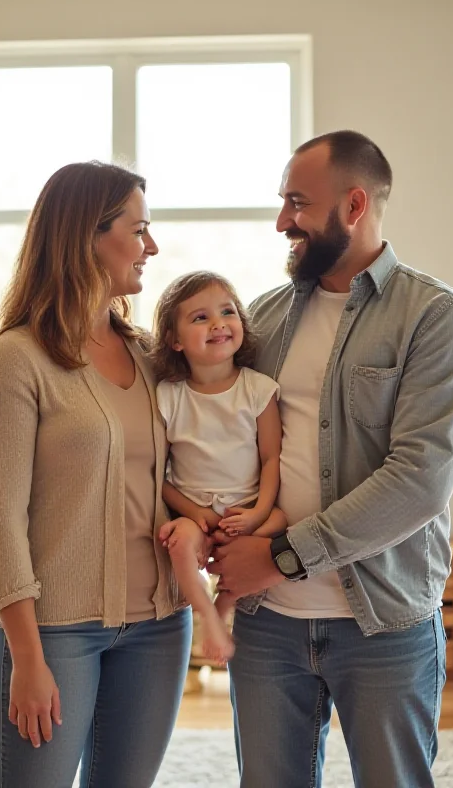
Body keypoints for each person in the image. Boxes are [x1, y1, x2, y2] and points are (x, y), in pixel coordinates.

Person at [207, 130, 453, 788]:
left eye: (297, 203)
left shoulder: (435, 317)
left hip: (384, 623)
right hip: (268, 625)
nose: (282, 222)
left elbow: (420, 481)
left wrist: (280, 555)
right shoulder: (262, 320)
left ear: (354, 205)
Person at [0, 162, 191, 788]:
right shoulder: (17, 361)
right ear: (86, 237)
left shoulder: (150, 353)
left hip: (159, 625)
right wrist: (27, 658)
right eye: (138, 230)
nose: (152, 247)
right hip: (55, 633)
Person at [149, 271, 286, 664]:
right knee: (177, 540)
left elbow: (271, 458)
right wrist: (194, 513)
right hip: (195, 510)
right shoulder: (169, 397)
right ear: (175, 341)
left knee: (281, 523)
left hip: (247, 508)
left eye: (227, 312)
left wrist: (258, 512)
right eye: (200, 318)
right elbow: (157, 475)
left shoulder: (258, 389)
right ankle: (206, 615)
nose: (218, 323)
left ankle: (226, 602)